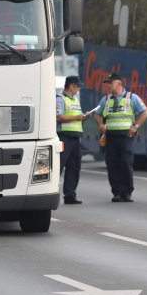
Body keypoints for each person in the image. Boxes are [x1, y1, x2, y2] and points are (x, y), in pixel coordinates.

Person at [93, 73, 147, 202]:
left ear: (118, 83)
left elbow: (145, 112)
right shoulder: (106, 100)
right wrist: (101, 124)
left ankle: (127, 192)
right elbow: (97, 114)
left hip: (126, 136)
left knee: (125, 163)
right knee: (112, 164)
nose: (108, 85)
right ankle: (116, 192)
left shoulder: (132, 98)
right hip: (111, 137)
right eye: (107, 83)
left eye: (110, 82)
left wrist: (135, 126)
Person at [56, 75, 89, 205]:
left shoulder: (74, 100)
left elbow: (75, 117)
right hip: (64, 136)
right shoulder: (60, 99)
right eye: (78, 87)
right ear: (72, 86)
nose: (79, 89)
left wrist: (84, 117)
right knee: (59, 166)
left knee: (74, 167)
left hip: (75, 137)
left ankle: (70, 195)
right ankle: (50, 193)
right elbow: (58, 117)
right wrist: (76, 118)